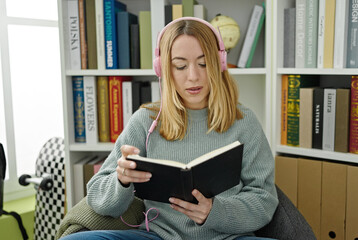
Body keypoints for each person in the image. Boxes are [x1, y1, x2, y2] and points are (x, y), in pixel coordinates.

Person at [61, 17, 278, 240]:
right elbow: (98, 198)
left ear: (219, 64)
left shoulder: (245, 122)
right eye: (180, 66)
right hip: (159, 236)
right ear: (163, 69)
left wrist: (215, 211)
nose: (193, 76)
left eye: (203, 63)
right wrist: (122, 179)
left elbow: (264, 200)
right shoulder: (146, 120)